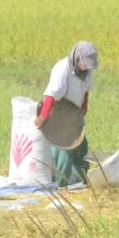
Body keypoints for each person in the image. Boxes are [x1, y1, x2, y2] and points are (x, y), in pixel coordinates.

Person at [35, 41, 98, 187]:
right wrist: (43, 116)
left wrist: (84, 106)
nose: (87, 67)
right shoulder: (62, 69)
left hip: (72, 114)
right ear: (78, 58)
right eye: (85, 64)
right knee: (65, 149)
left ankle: (80, 181)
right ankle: (61, 185)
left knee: (81, 146)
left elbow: (86, 90)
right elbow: (51, 95)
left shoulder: (86, 72)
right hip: (57, 112)